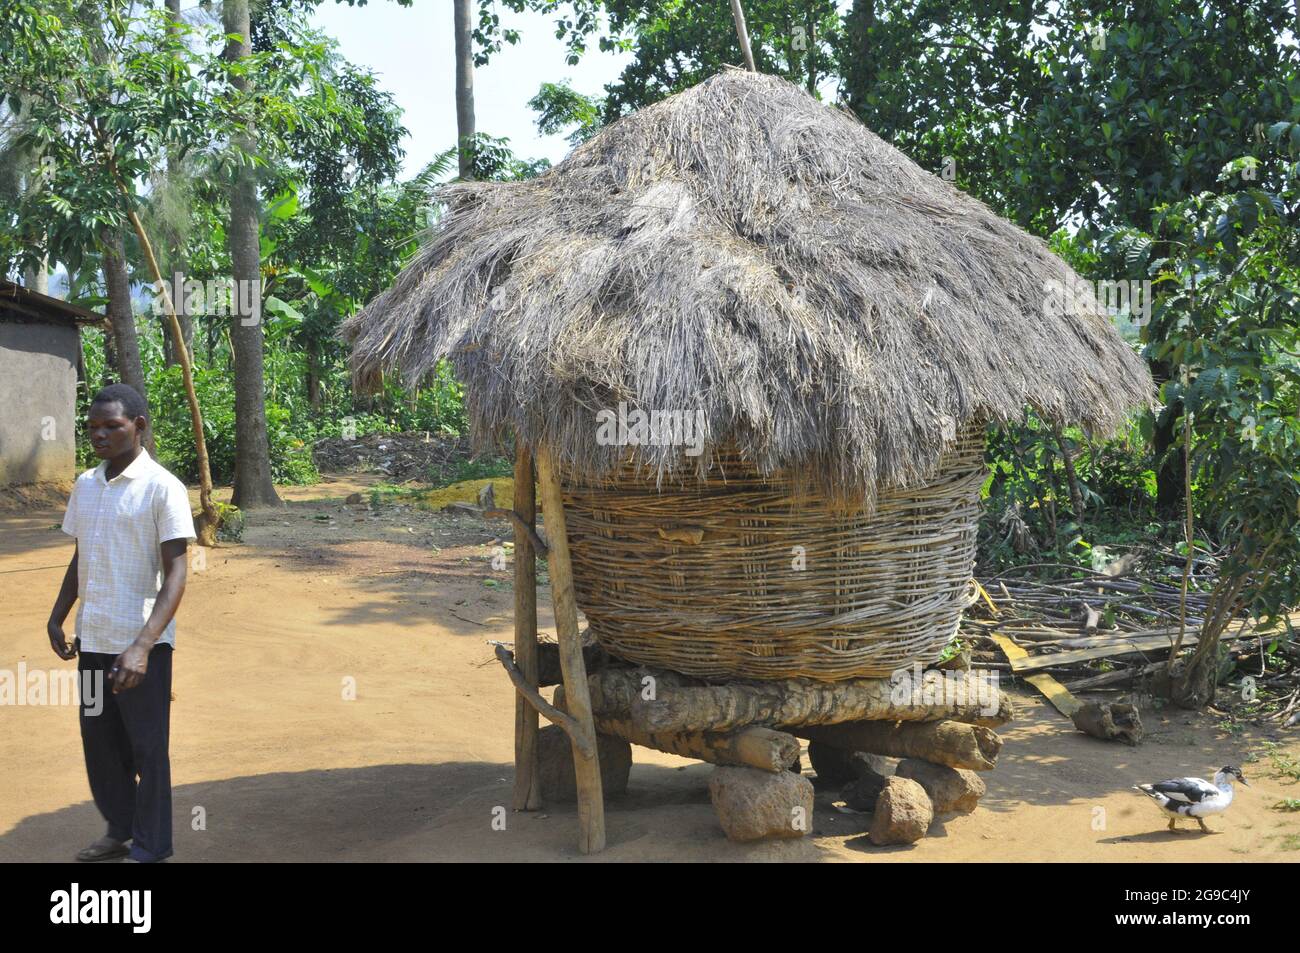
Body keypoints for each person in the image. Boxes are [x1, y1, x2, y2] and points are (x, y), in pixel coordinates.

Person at [46, 383, 196, 863]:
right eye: (93, 428)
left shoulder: (162, 487)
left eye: (112, 425)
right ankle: (120, 829)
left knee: (147, 749)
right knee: (100, 743)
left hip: (140, 643)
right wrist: (58, 614)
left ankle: (152, 846)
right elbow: (80, 554)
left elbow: (176, 571)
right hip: (94, 639)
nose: (101, 435)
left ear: (139, 426)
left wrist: (143, 645)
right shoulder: (87, 485)